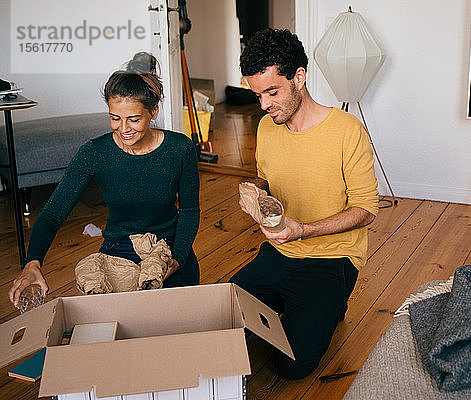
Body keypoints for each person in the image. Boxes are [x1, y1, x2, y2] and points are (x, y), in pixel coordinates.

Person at [230, 28, 379, 379]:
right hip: (278, 253)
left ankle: (325, 303)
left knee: (292, 366)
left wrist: (303, 231)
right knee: (219, 316)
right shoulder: (268, 127)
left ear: (299, 77)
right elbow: (267, 178)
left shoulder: (347, 130)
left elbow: (366, 209)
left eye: (272, 91)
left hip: (330, 258)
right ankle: (292, 306)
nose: (264, 104)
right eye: (258, 94)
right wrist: (255, 193)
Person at [8, 52, 200, 306]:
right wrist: (33, 261)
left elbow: (189, 210)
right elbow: (53, 213)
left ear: (153, 111)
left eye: (134, 119)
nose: (123, 129)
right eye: (114, 118)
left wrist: (179, 256)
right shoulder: (94, 153)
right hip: (119, 249)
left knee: (179, 319)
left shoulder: (180, 148)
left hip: (168, 249)